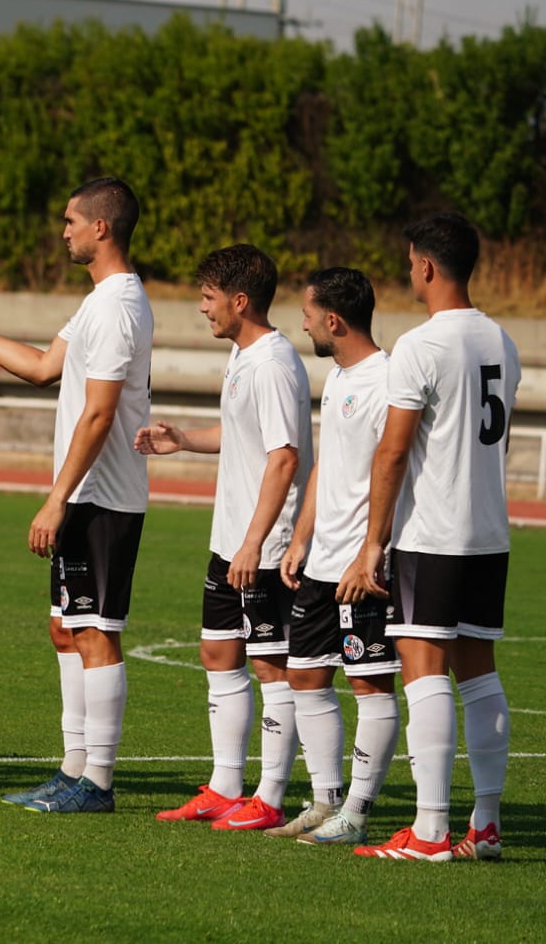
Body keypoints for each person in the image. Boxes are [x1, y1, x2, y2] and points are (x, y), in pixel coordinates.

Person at [0, 177, 151, 813]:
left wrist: (56, 498)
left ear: (101, 228)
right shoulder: (97, 302)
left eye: (72, 220)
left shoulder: (120, 305)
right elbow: (44, 367)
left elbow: (99, 415)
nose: (64, 230)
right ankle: (73, 769)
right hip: (85, 495)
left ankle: (96, 783)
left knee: (97, 631)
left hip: (102, 498)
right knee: (67, 628)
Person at [339, 213, 518, 861]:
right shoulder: (502, 339)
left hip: (433, 533)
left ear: (426, 267)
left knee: (423, 670)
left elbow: (393, 451)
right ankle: (487, 824)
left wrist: (371, 545)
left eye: (411, 260)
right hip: (488, 534)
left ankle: (432, 828)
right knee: (479, 672)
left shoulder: (422, 344)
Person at [135, 244, 311, 829]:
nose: (201, 308)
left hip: (264, 546)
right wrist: (183, 439)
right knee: (218, 653)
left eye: (208, 297)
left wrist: (255, 543)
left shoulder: (273, 363)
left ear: (239, 300)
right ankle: (225, 785)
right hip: (231, 539)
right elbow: (244, 437)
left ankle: (271, 795)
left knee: (270, 667)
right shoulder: (243, 356)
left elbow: (284, 459)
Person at [270, 267, 401, 844]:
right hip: (323, 559)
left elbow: (395, 473)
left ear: (334, 320)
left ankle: (358, 810)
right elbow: (328, 465)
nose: (301, 322)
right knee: (305, 675)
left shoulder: (388, 381)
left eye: (307, 312)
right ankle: (324, 801)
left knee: (370, 684)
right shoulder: (342, 377)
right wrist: (301, 536)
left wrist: (369, 555)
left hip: (360, 566)